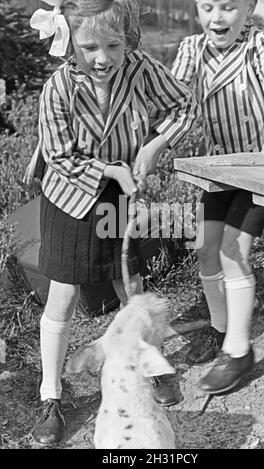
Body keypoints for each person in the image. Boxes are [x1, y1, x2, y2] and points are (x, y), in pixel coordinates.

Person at [26, 0, 199, 445]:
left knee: (131, 284)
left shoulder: (141, 69)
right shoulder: (58, 87)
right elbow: (60, 157)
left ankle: (151, 366)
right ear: (69, 43)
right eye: (89, 47)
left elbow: (185, 107)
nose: (102, 58)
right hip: (69, 195)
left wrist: (154, 146)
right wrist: (109, 170)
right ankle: (52, 396)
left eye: (113, 45)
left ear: (129, 41)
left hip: (121, 194)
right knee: (63, 295)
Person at [171, 0, 264, 394]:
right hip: (224, 170)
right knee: (207, 249)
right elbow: (173, 97)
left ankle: (239, 351)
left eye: (228, 7)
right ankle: (221, 328)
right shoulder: (192, 49)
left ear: (249, 8)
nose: (217, 17)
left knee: (234, 250)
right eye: (207, 6)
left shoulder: (258, 43)